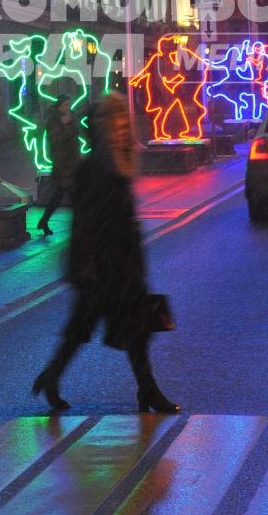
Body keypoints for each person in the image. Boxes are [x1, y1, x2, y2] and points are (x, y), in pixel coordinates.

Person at [31, 99, 178, 414]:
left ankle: (54, 377)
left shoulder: (115, 165)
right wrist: (91, 266)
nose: (125, 132)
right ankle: (146, 392)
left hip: (118, 265)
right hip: (102, 268)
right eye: (119, 126)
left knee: (115, 332)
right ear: (106, 130)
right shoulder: (95, 168)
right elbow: (87, 223)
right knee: (107, 331)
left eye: (126, 125)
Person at [36, 97, 82, 235]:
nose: (68, 107)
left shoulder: (70, 117)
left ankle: (44, 221)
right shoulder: (54, 120)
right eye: (66, 104)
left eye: (70, 104)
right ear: (59, 106)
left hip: (72, 163)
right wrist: (65, 125)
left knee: (58, 196)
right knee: (73, 197)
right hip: (62, 164)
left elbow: (76, 135)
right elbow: (57, 141)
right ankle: (80, 226)